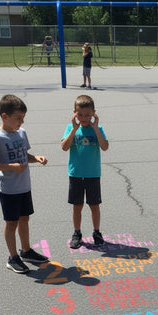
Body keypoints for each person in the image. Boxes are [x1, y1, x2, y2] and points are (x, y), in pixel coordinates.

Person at [0, 94, 49, 274]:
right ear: (5, 116)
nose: (21, 122)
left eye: (23, 118)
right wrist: (10, 167)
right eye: (18, 118)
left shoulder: (21, 133)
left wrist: (35, 158)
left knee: (25, 219)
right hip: (9, 189)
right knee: (11, 223)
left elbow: (24, 155)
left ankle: (26, 250)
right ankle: (12, 257)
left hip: (24, 186)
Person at [61, 95, 109, 249]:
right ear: (74, 113)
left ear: (94, 114)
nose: (83, 118)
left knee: (94, 205)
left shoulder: (98, 129)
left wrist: (95, 127)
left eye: (87, 115)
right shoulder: (71, 129)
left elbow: (105, 146)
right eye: (80, 115)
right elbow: (64, 146)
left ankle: (96, 232)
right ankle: (77, 232)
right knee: (77, 205)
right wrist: (74, 128)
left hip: (92, 174)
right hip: (75, 174)